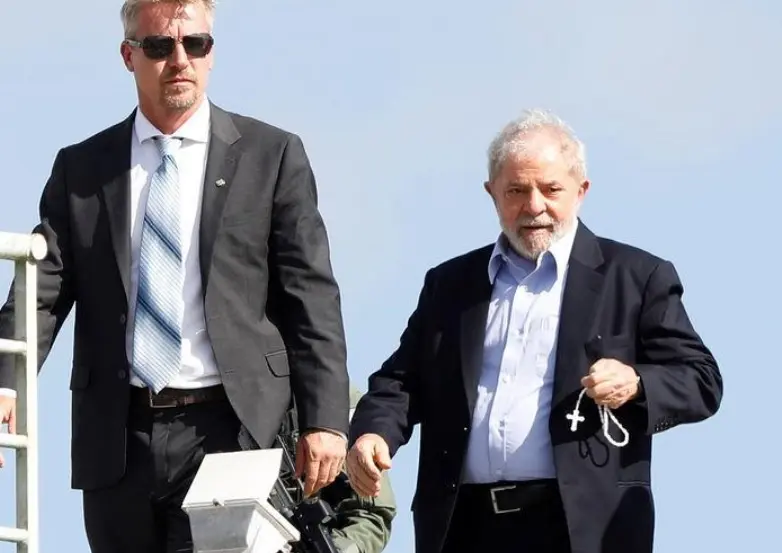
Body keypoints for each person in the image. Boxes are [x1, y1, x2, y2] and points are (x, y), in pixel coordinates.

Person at [0, 1, 350, 551]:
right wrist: (6, 378)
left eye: (195, 44)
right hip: (118, 438)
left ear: (212, 52)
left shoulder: (272, 155)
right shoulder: (83, 168)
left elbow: (312, 298)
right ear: (128, 55)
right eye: (160, 46)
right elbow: (41, 292)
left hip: (233, 430)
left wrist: (325, 421)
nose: (180, 60)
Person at [346, 109, 723, 553]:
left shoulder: (636, 276)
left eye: (550, 189)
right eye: (516, 190)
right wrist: (372, 433)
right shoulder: (450, 284)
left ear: (581, 190)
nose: (534, 206)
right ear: (492, 193)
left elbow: (701, 379)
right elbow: (400, 381)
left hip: (579, 529)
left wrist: (637, 382)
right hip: (463, 527)